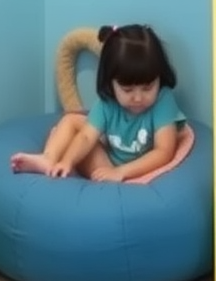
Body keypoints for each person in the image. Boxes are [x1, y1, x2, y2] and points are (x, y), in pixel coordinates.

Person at [10, 23, 183, 183]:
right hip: (104, 165)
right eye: (127, 90)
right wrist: (66, 162)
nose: (138, 98)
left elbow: (164, 152)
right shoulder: (107, 102)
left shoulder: (163, 100)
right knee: (71, 120)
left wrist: (122, 172)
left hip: (135, 170)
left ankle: (66, 157)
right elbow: (86, 136)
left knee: (80, 142)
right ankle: (49, 159)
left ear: (159, 78)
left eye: (147, 88)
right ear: (111, 83)